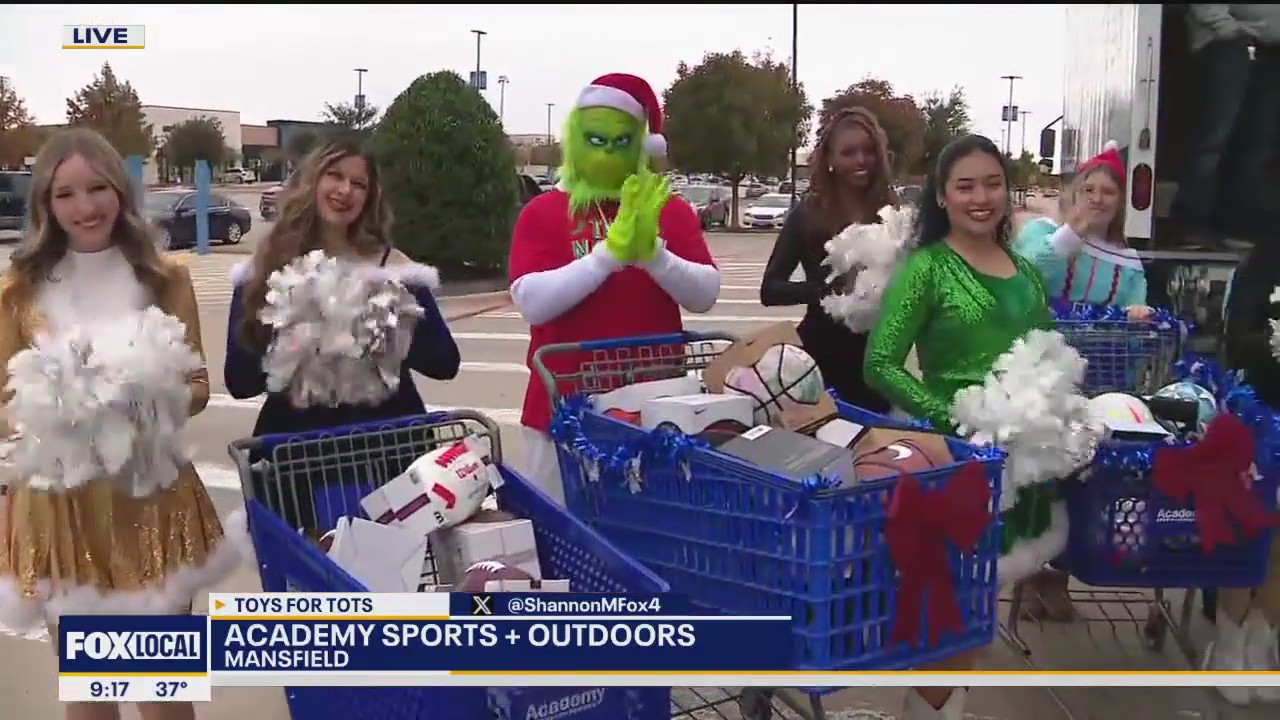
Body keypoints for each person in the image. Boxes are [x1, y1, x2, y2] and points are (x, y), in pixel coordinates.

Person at [0, 128, 242, 720]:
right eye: (65, 194)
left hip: (150, 500)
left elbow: (198, 385)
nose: (84, 207)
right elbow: (4, 402)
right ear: (45, 203)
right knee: (89, 694)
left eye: (97, 188)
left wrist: (140, 400)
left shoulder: (164, 276)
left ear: (120, 190)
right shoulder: (18, 290)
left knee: (163, 693)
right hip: (60, 511)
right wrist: (56, 408)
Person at [864, 135, 1068, 719]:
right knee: (952, 614)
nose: (982, 197)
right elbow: (879, 363)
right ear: (942, 196)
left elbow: (1046, 353)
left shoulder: (1025, 271)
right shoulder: (927, 268)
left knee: (978, 613)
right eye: (966, 186)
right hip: (955, 468)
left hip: (1020, 467)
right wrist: (951, 420)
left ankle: (943, 708)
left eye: (993, 183)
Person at [507, 73, 720, 505]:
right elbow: (531, 302)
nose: (606, 152)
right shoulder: (544, 211)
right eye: (595, 140)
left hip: (654, 416)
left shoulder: (667, 209)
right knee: (561, 536)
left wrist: (653, 255)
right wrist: (606, 256)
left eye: (620, 141)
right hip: (561, 417)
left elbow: (705, 294)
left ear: (640, 144)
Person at [224, 135, 461, 437]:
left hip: (391, 446)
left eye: (359, 184)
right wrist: (292, 335)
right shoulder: (267, 267)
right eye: (334, 175)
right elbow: (240, 382)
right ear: (312, 182)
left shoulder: (390, 268)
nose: (345, 190)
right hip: (299, 450)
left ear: (370, 197)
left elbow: (444, 363)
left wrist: (392, 319)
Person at [759, 107, 895, 412]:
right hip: (820, 360)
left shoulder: (891, 209)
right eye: (848, 152)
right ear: (830, 160)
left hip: (877, 363)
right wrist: (822, 291)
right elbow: (770, 290)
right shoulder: (808, 213)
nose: (861, 160)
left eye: (868, 151)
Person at [1212, 240, 1280, 703]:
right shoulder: (1264, 259)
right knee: (1249, 533)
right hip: (1261, 414)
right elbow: (1236, 340)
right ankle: (1227, 642)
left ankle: (1262, 638)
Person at [1175, 5, 1280, 247]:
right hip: (1228, 42)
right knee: (1215, 137)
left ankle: (1237, 223)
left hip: (1271, 48)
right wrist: (1226, 27)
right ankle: (1193, 221)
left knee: (1257, 141)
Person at [1013, 141, 1151, 320]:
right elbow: (1018, 279)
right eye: (1088, 190)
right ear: (1075, 195)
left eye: (1108, 192)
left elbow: (1135, 322)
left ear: (1120, 202)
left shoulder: (1129, 263)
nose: (1097, 199)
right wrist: (1068, 237)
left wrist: (1138, 315)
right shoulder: (1040, 231)